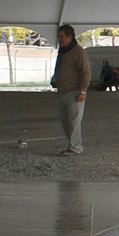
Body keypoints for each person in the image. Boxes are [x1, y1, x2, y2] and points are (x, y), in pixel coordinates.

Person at [51, 25, 90, 156]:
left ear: (70, 37)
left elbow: (86, 72)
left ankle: (75, 147)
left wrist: (82, 91)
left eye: (61, 37)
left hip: (74, 92)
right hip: (63, 92)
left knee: (74, 122)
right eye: (58, 37)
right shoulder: (62, 52)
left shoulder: (78, 52)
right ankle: (72, 145)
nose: (59, 39)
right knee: (66, 122)